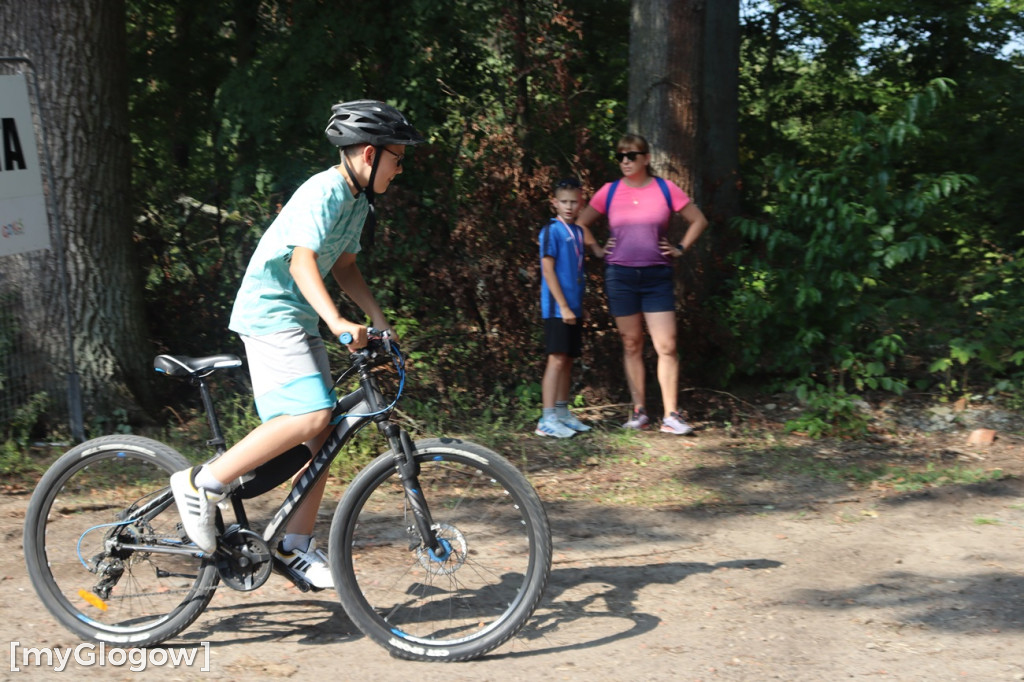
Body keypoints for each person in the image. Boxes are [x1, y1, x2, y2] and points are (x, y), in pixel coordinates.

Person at [170, 100, 425, 589]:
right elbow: (301, 261)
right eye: (398, 156)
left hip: (297, 318)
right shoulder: (325, 190)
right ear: (369, 155)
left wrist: (380, 323)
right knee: (309, 417)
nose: (401, 165)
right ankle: (202, 483)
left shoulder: (356, 200)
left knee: (322, 435)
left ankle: (293, 546)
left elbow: (345, 266)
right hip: (270, 314)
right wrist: (336, 321)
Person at [577, 133, 709, 435]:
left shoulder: (665, 188)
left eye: (631, 156)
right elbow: (582, 222)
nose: (625, 161)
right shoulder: (609, 191)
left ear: (646, 159)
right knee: (631, 343)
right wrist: (597, 249)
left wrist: (680, 248)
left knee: (667, 345)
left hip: (657, 277)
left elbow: (698, 220)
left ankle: (672, 415)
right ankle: (639, 412)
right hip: (620, 276)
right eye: (620, 156)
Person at [536, 178, 592, 438]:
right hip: (557, 309)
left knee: (568, 360)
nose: (569, 206)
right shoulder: (551, 230)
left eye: (574, 202)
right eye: (564, 202)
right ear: (554, 202)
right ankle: (546, 418)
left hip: (573, 307)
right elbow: (548, 270)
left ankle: (561, 412)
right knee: (556, 359)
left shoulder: (578, 232)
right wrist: (563, 306)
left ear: (581, 202)